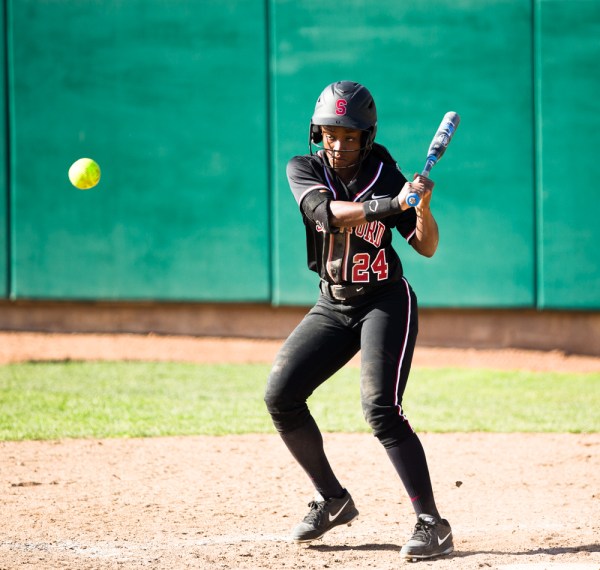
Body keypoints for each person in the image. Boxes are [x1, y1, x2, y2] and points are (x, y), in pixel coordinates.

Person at [264, 80, 453, 560]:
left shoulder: (388, 175)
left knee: (380, 409)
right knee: (281, 395)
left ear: (366, 138)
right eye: (330, 132)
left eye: (350, 135)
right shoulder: (302, 168)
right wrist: (392, 205)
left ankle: (432, 523)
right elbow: (324, 214)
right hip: (333, 304)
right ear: (316, 132)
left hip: (386, 303)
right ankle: (332, 499)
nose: (338, 143)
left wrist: (422, 207)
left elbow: (426, 246)